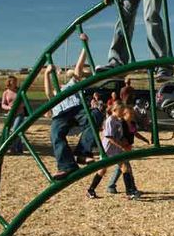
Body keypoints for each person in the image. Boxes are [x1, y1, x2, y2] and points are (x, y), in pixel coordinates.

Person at [44, 33, 102, 180]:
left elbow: (78, 68)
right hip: (61, 115)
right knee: (55, 133)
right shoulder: (56, 92)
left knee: (95, 114)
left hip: (77, 110)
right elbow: (48, 92)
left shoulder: (70, 85)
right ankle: (66, 166)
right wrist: (46, 74)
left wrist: (85, 46)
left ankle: (82, 152)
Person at [87, 103, 140, 199]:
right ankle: (91, 190)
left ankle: (129, 191)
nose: (122, 112)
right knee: (102, 170)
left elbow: (118, 135)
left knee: (124, 167)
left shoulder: (118, 120)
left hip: (116, 149)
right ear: (115, 110)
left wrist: (125, 143)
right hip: (108, 149)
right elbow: (109, 137)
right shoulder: (110, 120)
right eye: (121, 110)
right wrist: (122, 146)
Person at [107, 106, 149, 195]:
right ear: (125, 114)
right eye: (131, 113)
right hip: (122, 148)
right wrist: (123, 145)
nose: (133, 115)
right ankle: (130, 188)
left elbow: (135, 133)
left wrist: (144, 139)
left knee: (122, 168)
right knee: (126, 168)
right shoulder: (121, 123)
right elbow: (119, 136)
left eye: (133, 113)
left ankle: (112, 185)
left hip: (128, 147)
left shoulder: (132, 123)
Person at [1, 75, 25, 154]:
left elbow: (24, 102)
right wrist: (8, 108)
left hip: (19, 113)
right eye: (13, 82)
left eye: (16, 82)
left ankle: (13, 147)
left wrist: (19, 106)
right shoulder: (6, 92)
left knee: (15, 130)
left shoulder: (19, 91)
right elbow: (3, 104)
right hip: (10, 114)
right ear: (9, 82)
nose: (15, 83)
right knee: (8, 131)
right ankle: (19, 147)